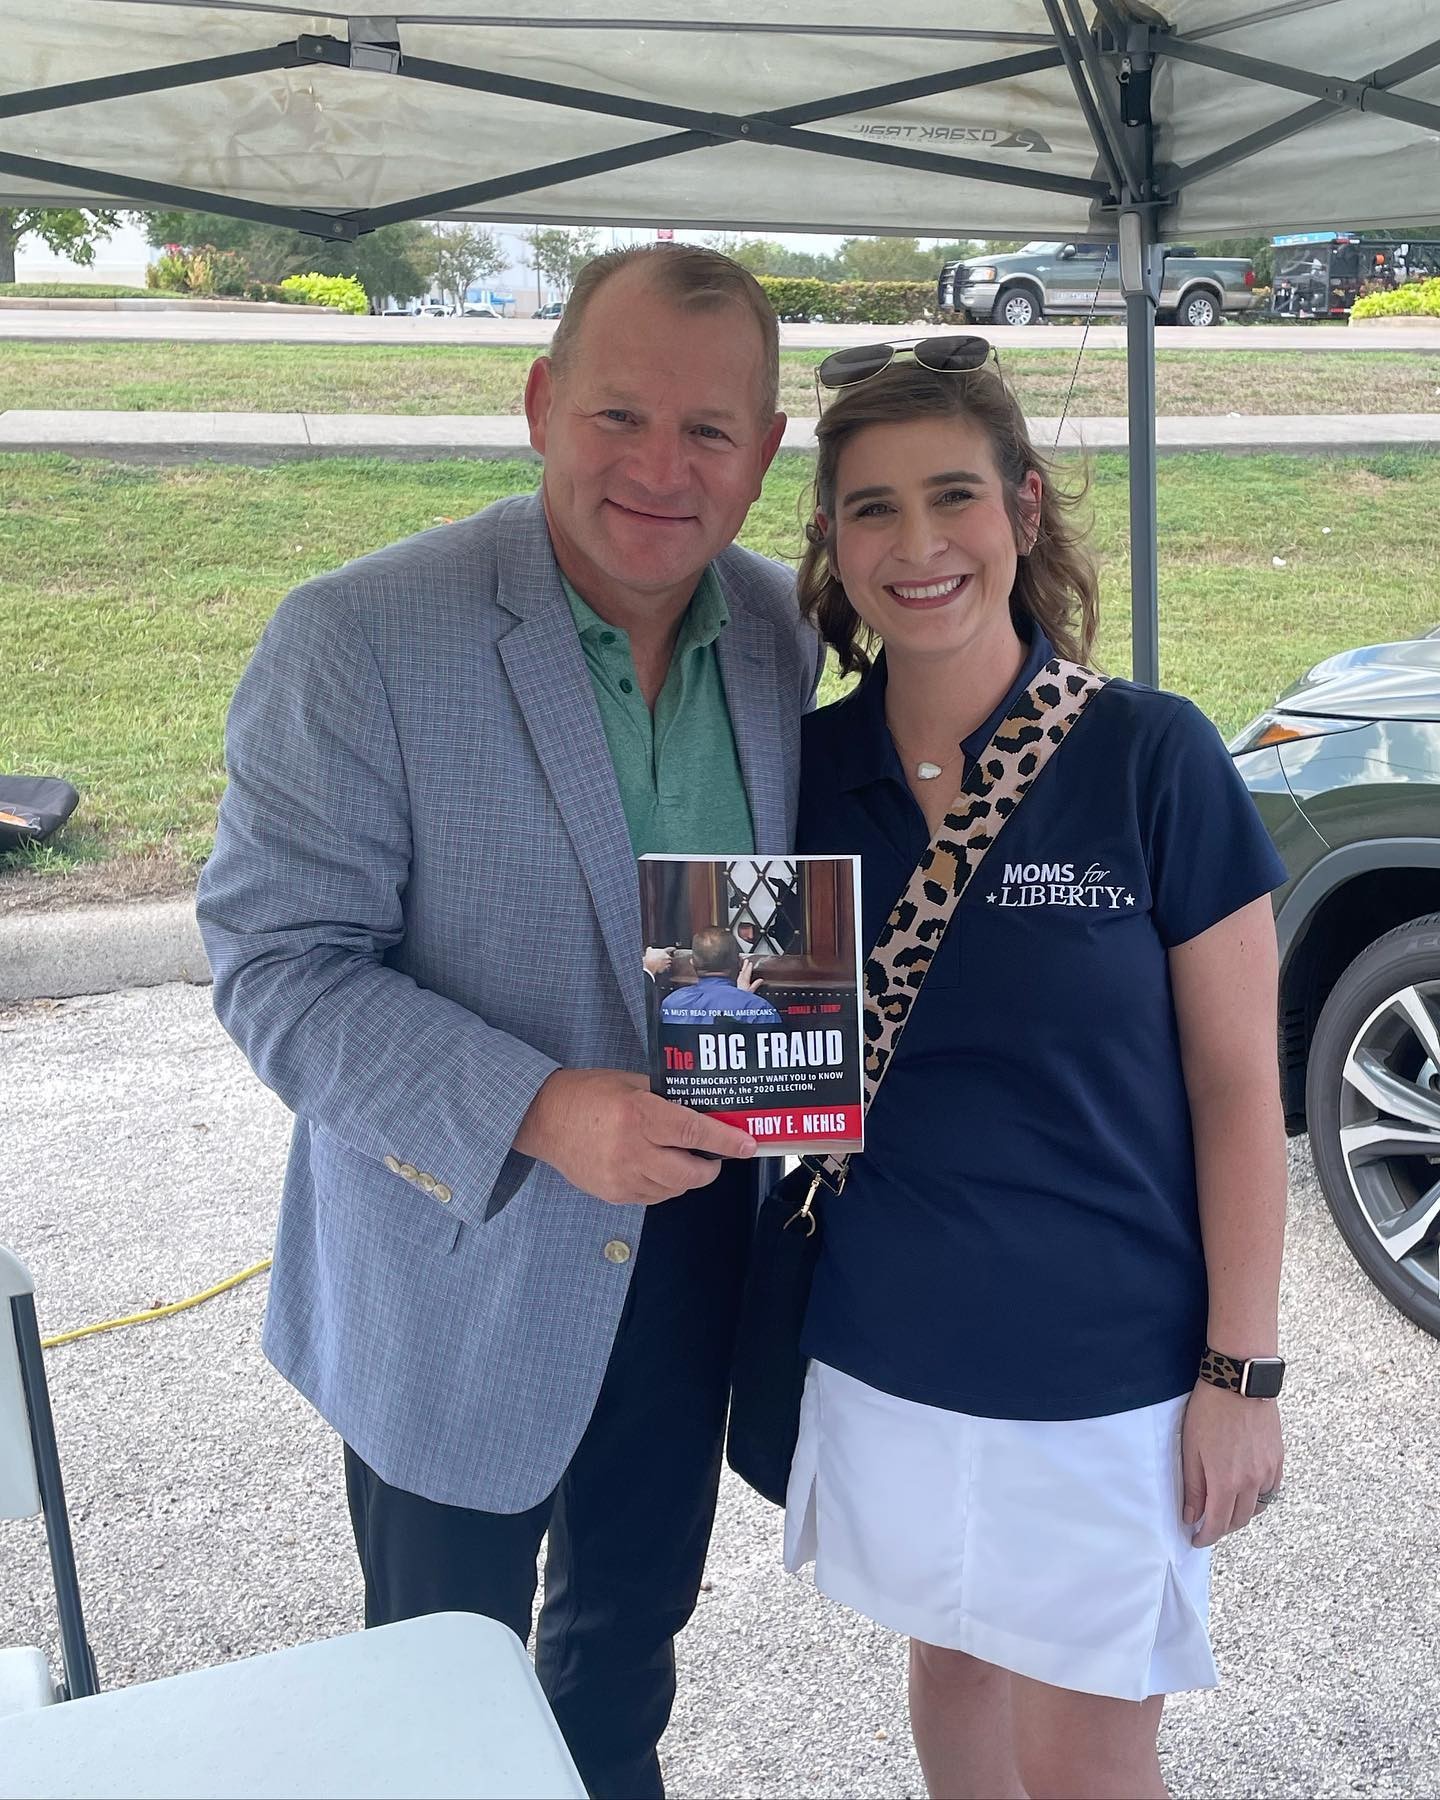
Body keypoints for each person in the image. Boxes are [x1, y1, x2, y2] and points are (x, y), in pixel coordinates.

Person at [196, 244, 821, 1800]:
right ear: (541, 405)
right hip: (460, 1272)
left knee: (622, 1664)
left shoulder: (781, 637)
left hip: (694, 1256)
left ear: (766, 452)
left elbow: (783, 919)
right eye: (619, 416)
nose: (661, 470)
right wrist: (542, 1108)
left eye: (710, 432)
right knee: (439, 1710)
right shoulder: (362, 637)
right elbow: (276, 961)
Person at [785, 341, 1288, 1800]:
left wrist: (1240, 1371)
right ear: (832, 540)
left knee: (1087, 1734)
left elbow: (1239, 1090)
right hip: (887, 1345)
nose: (919, 544)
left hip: (1106, 1370)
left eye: (953, 496)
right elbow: (763, 1068)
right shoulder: (798, 770)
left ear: (1023, 502)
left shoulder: (1151, 757)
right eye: (871, 509)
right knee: (948, 1661)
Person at [659, 925, 781, 1025]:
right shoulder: (758, 1009)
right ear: (739, 962)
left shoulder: (672, 1004)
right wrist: (743, 999)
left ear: (692, 963)